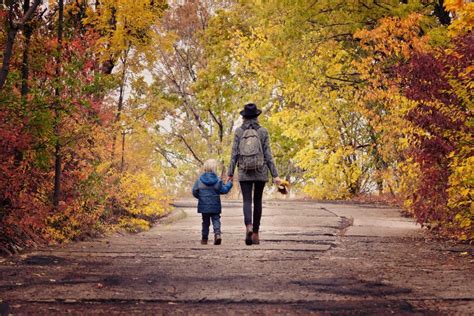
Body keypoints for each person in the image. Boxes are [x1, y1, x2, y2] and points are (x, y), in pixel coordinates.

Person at [227, 103, 281, 245]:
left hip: (244, 170)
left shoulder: (239, 132)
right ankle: (256, 233)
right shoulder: (263, 131)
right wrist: (275, 175)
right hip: (260, 170)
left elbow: (234, 154)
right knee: (257, 201)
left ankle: (248, 225)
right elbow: (268, 155)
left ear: (244, 117)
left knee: (246, 200)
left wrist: (230, 173)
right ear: (257, 116)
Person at [192, 159, 233, 245]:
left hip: (204, 205)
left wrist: (201, 197)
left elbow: (194, 191)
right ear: (215, 168)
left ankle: (204, 239)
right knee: (216, 219)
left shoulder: (199, 180)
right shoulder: (217, 180)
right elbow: (224, 190)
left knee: (205, 221)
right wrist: (229, 184)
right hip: (215, 205)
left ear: (205, 168)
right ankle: (217, 235)